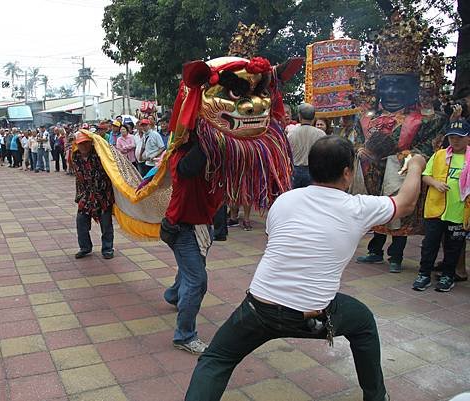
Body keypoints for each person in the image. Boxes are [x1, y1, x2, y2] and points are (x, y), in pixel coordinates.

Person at [183, 136, 426, 401]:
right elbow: (406, 202)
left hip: (258, 308)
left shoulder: (285, 201)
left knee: (216, 359)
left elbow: (277, 241)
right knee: (363, 323)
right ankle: (376, 397)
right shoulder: (358, 207)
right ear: (347, 173)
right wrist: (416, 164)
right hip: (313, 315)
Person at [353, 13, 447, 274]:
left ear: (413, 87)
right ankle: (374, 250)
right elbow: (355, 141)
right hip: (372, 174)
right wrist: (360, 150)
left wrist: (410, 154)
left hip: (400, 173)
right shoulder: (365, 117)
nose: (392, 92)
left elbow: (433, 146)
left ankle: (396, 255)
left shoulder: (428, 120)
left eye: (399, 86)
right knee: (374, 210)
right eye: (388, 86)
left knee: (399, 211)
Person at [162, 132, 224, 355]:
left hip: (201, 227)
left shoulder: (213, 157)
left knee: (190, 270)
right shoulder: (181, 156)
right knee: (197, 281)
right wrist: (215, 133)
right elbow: (188, 167)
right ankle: (185, 336)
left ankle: (173, 295)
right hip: (182, 229)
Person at [412, 120, 470, 292]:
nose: (455, 141)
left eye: (459, 137)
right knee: (430, 244)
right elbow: (425, 175)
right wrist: (435, 183)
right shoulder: (439, 155)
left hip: (458, 211)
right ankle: (423, 274)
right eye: (452, 137)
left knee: (454, 247)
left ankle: (448, 276)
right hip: (435, 209)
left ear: (468, 138)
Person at [73, 131, 115, 260]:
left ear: (91, 143)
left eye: (86, 143)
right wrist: (79, 196)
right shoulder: (75, 157)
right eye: (81, 144)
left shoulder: (100, 155)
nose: (84, 146)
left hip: (103, 195)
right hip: (86, 196)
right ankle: (85, 247)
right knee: (81, 221)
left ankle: (107, 248)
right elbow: (78, 178)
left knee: (106, 224)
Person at [287, 103, 326, 188]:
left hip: (295, 171)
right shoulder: (321, 134)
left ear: (299, 117)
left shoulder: (291, 134)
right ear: (313, 118)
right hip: (314, 171)